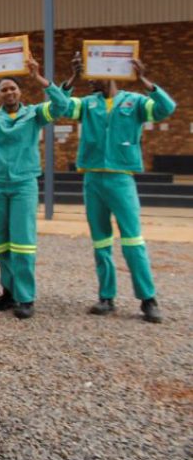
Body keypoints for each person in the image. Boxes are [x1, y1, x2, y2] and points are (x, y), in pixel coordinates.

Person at [59, 55, 176, 323]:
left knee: (133, 240)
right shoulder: (88, 104)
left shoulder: (134, 102)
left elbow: (165, 108)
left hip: (121, 178)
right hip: (93, 179)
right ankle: (106, 297)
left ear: (110, 74)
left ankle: (148, 299)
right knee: (101, 241)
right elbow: (61, 107)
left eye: (93, 75)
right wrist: (72, 79)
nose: (90, 80)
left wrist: (145, 81)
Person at [0, 57, 68, 319]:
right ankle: (8, 292)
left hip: (23, 184)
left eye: (13, 88)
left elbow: (61, 105)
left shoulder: (34, 114)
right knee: (0, 244)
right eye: (4, 89)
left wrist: (38, 76)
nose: (9, 92)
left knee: (22, 243)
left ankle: (25, 298)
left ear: (20, 91)